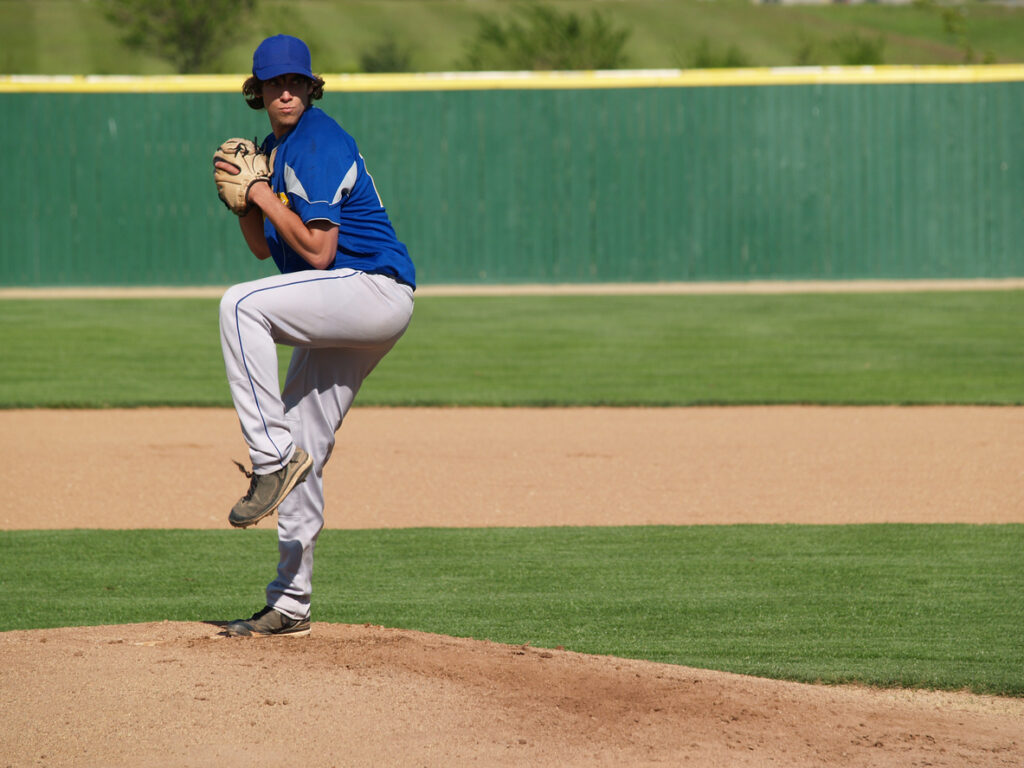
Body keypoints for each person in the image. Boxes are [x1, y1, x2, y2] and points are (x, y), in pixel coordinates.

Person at [215, 34, 415, 637]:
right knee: (307, 446)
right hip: (348, 300)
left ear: (309, 86)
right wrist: (248, 204)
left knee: (239, 306)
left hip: (371, 288)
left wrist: (257, 193)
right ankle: (290, 603)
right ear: (257, 93)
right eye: (272, 84)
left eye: (294, 82)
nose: (284, 91)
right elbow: (263, 247)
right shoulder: (276, 154)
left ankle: (269, 458)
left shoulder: (318, 141)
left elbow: (320, 252)